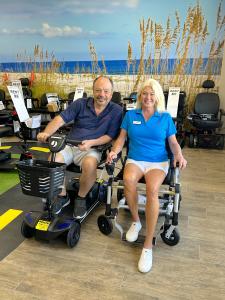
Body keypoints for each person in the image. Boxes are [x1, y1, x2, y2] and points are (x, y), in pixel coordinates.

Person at [107, 78, 187, 273]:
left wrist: (178, 154)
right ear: (140, 95)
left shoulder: (165, 117)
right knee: (127, 180)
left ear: (157, 96)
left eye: (152, 94)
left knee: (152, 190)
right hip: (135, 158)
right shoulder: (130, 115)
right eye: (145, 93)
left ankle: (147, 246)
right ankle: (136, 220)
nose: (148, 97)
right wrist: (114, 152)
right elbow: (121, 139)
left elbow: (174, 142)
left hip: (158, 161)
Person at [37, 76, 123, 219]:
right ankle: (62, 196)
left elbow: (110, 136)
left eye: (106, 91)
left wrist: (91, 142)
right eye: (98, 90)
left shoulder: (116, 110)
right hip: (71, 145)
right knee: (53, 159)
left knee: (90, 164)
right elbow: (59, 120)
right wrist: (46, 132)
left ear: (112, 92)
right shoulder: (80, 104)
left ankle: (81, 198)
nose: (102, 94)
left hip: (93, 148)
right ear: (93, 91)